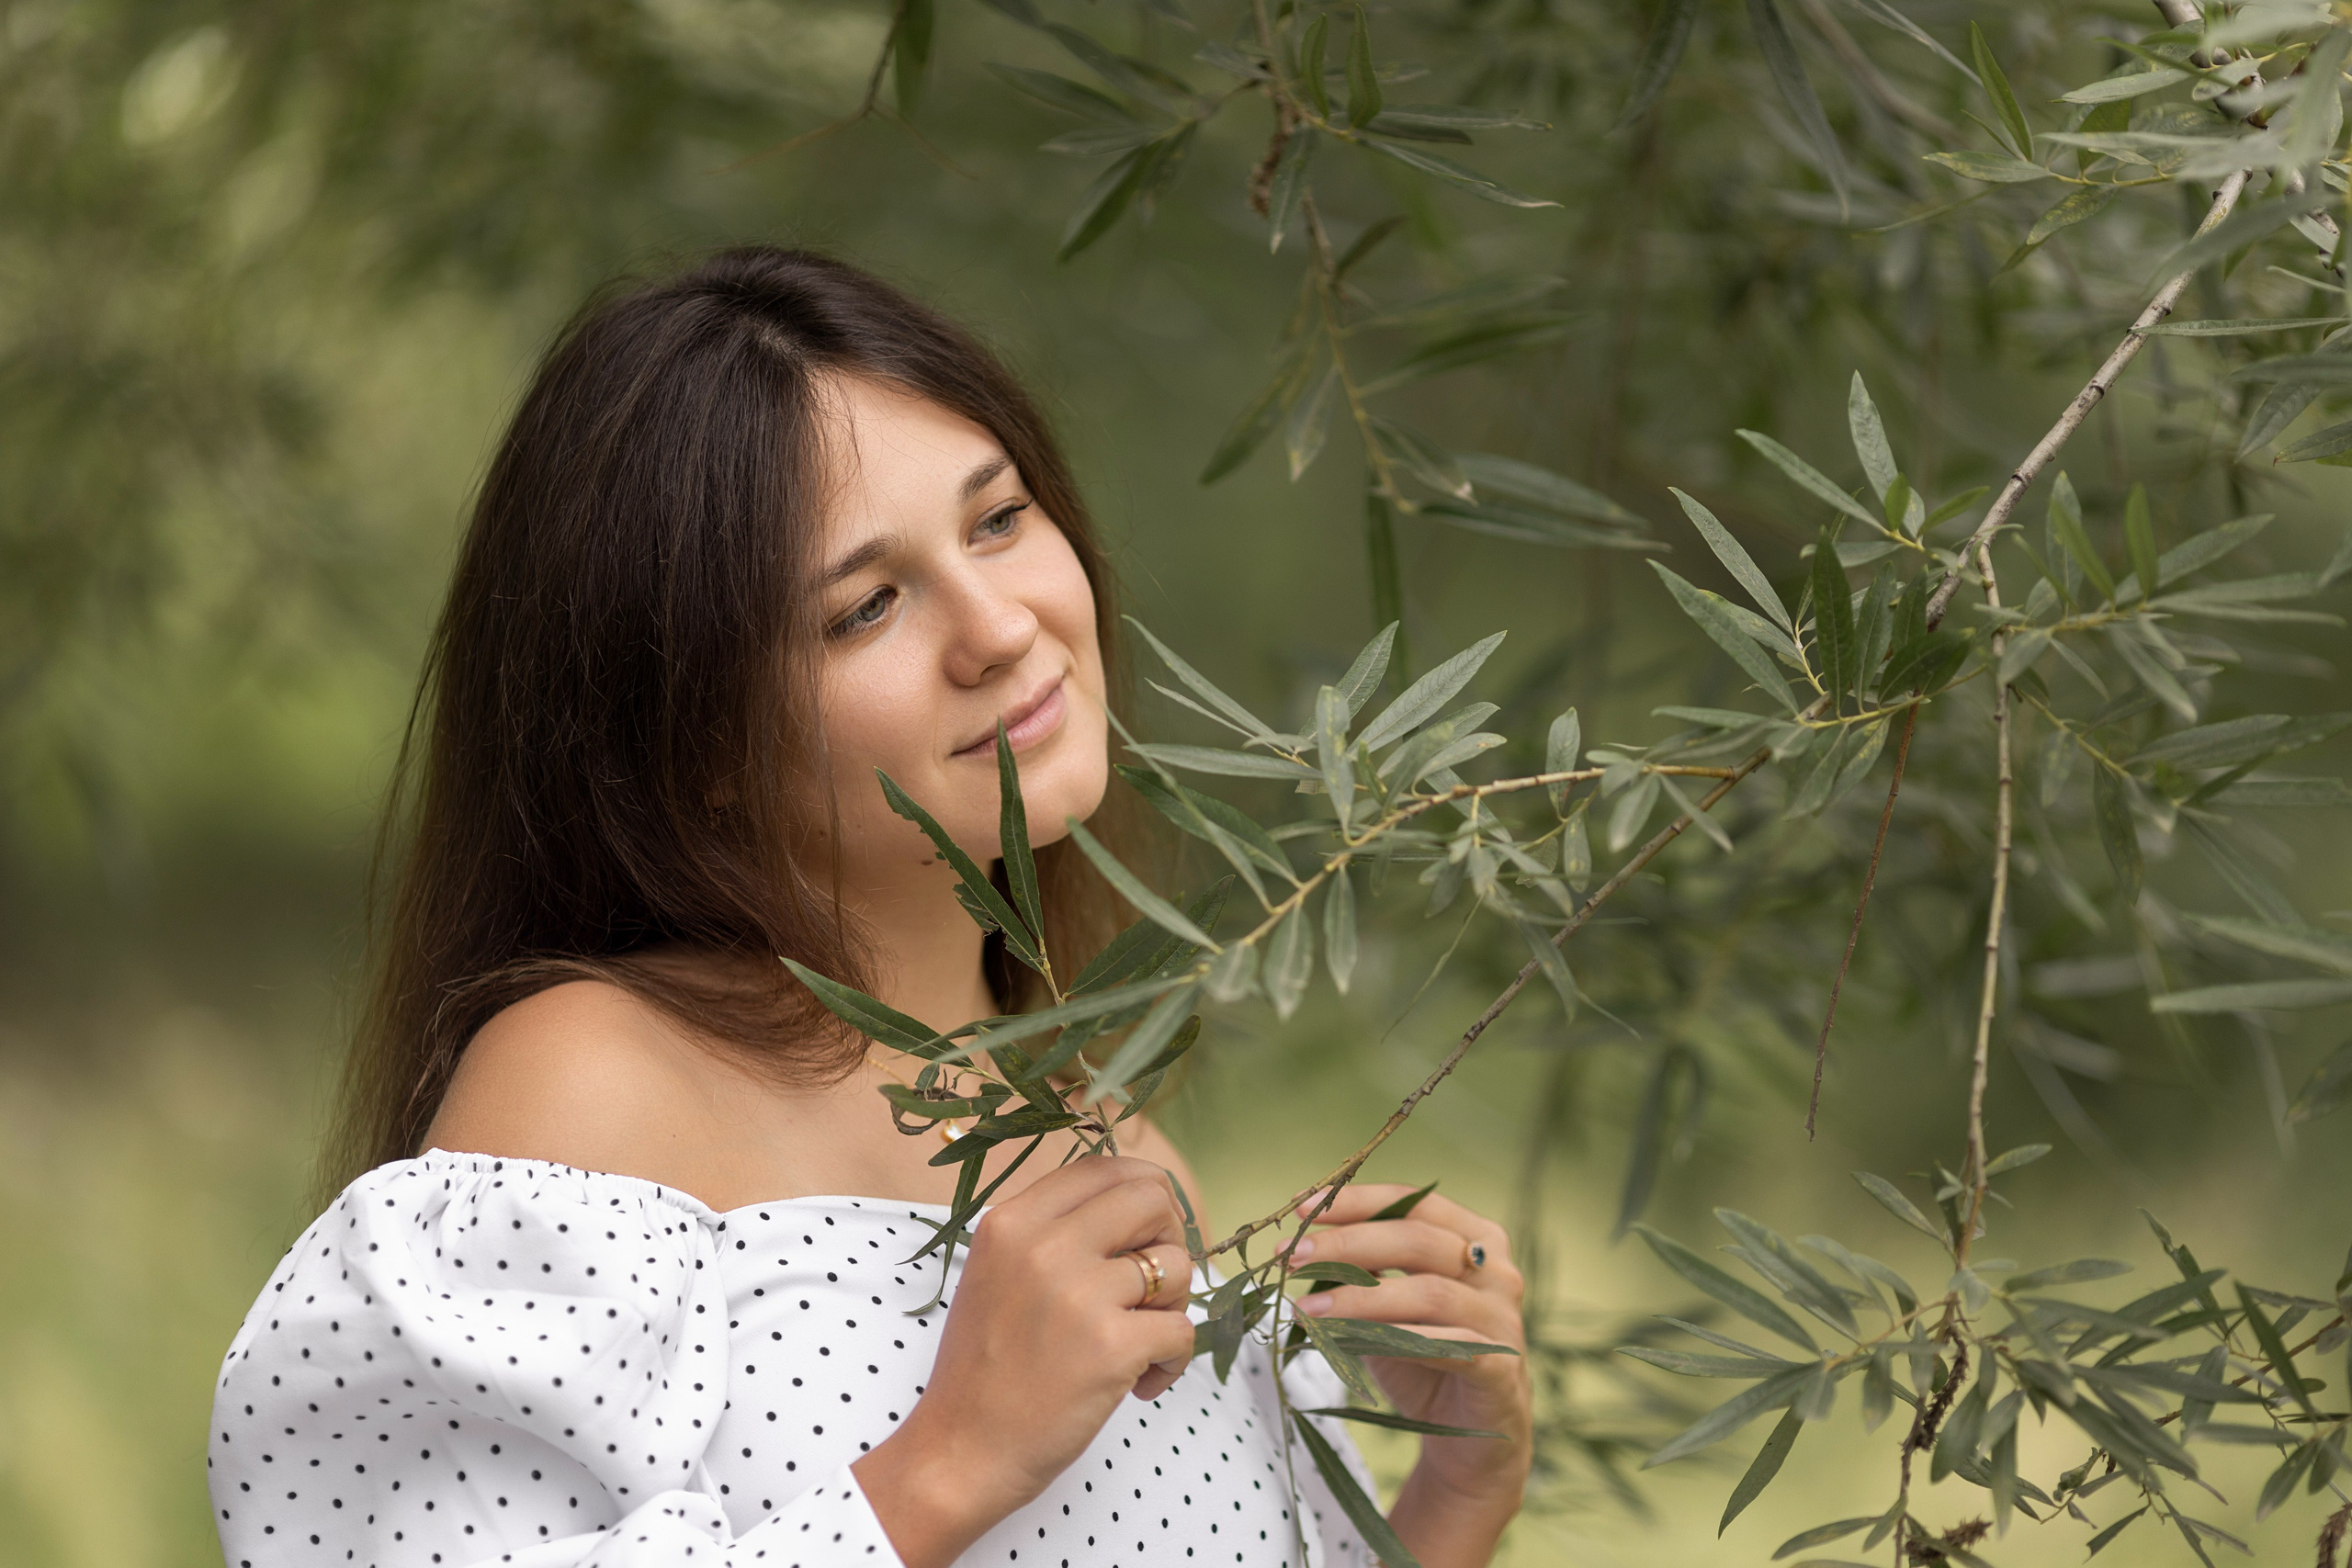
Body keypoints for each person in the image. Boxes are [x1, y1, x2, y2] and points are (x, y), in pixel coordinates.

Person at [207, 247, 1532, 1568]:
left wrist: (1452, 1503)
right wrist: (944, 1465)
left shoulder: (1108, 1137)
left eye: (999, 519)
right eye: (867, 606)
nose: (1000, 627)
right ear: (696, 741)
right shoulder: (592, 1083)